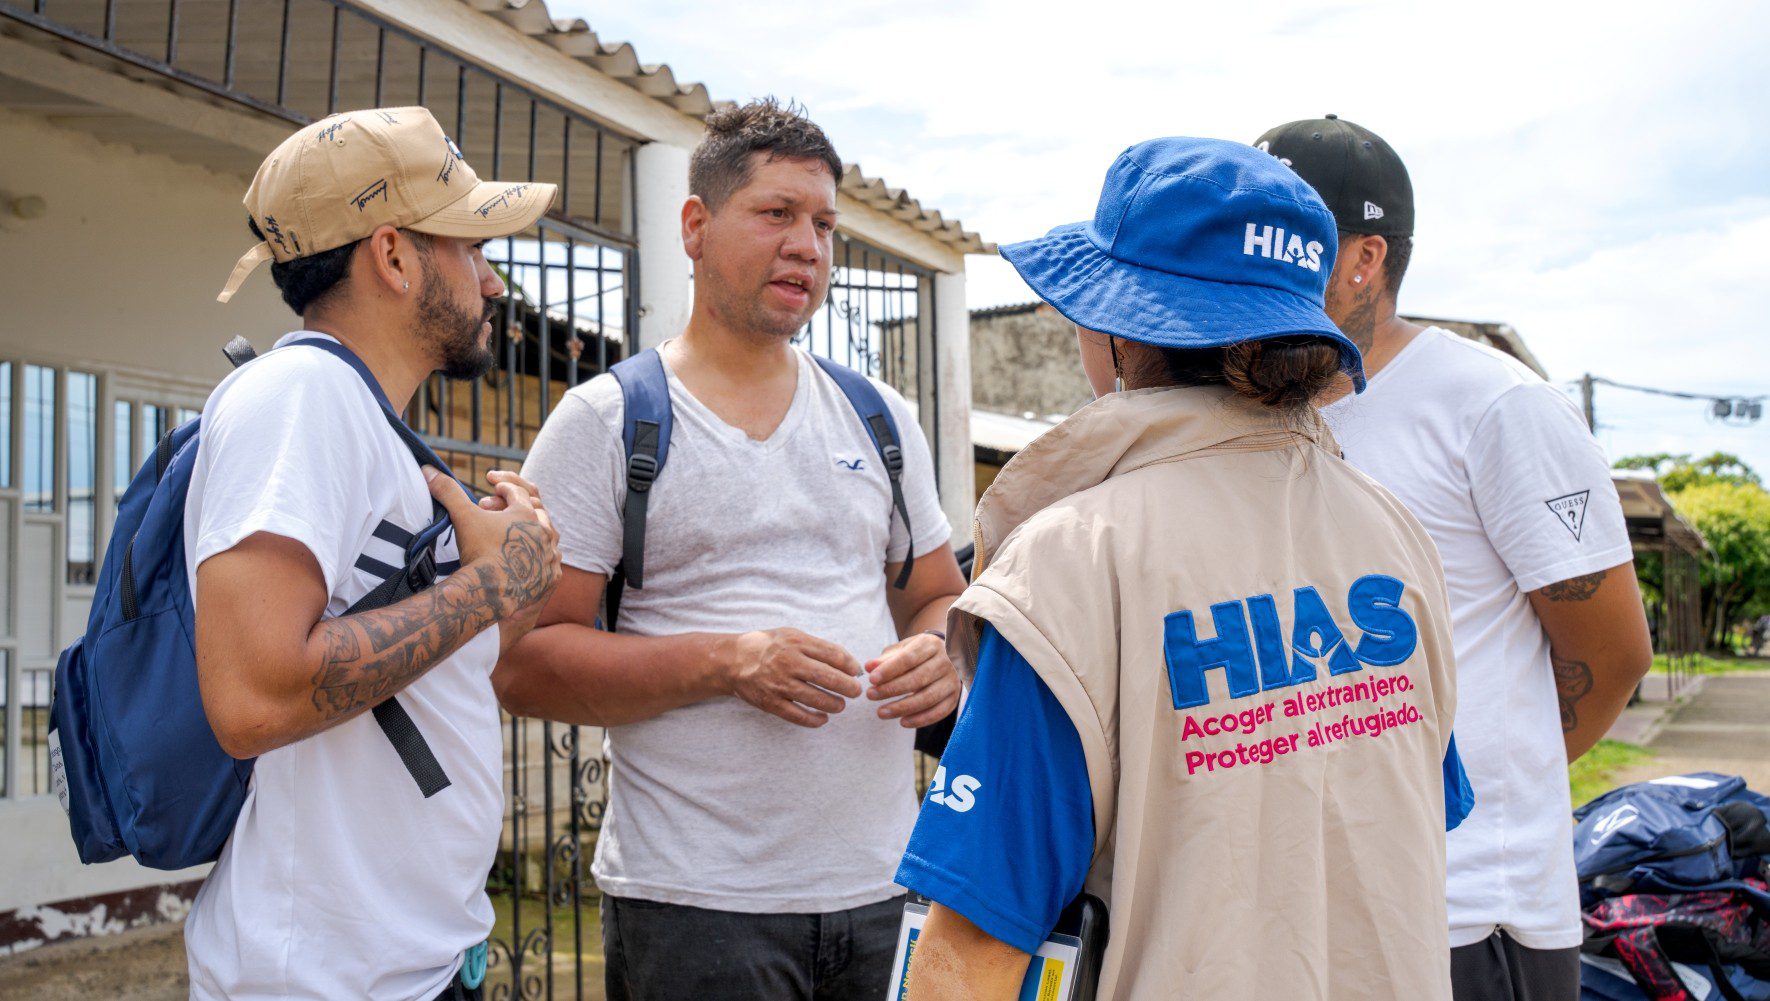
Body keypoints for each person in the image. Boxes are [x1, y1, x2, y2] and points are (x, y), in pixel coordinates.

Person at [898, 137, 1470, 1001]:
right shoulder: (1393, 534)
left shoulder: (1072, 562)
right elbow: (1411, 807)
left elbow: (971, 954)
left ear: (1119, 330)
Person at [497, 99, 968, 1000]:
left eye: (825, 224)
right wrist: (730, 661)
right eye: (777, 214)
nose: (810, 246)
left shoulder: (880, 417)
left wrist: (944, 655)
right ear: (696, 226)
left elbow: (936, 595)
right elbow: (522, 666)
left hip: (885, 885)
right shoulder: (607, 421)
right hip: (693, 905)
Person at [1254, 115, 1654, 1001]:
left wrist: (1470, 805)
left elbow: (1613, 652)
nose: (1254, 268)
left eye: (1285, 245)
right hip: (1302, 915)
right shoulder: (1257, 418)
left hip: (1464, 915)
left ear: (1366, 259)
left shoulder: (1493, 406)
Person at [190, 106, 562, 1000]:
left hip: (412, 965)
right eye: (471, 246)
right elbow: (251, 697)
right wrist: (489, 586)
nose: (494, 280)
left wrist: (520, 574)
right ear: (393, 256)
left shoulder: (369, 423)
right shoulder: (299, 396)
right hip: (323, 980)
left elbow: (442, 671)